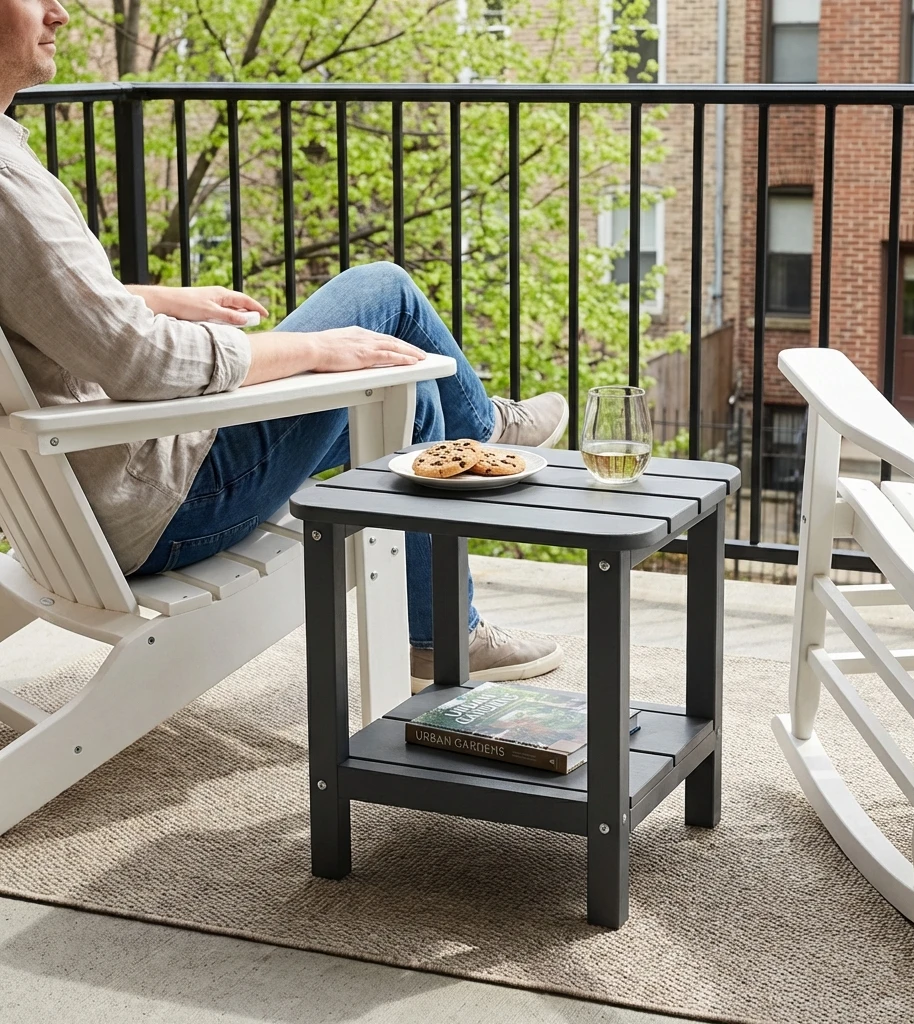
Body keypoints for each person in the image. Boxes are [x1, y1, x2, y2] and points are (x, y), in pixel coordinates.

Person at [0, 0, 567, 689]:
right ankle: (483, 448)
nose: (59, 12)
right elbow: (139, 361)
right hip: (158, 502)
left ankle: (447, 621)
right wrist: (314, 350)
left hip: (65, 509)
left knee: (411, 392)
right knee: (384, 296)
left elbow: (40, 304)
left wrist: (152, 297)